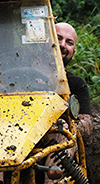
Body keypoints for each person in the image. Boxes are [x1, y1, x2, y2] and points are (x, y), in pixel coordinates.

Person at [44, 22, 93, 183]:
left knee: (64, 130)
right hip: (19, 138)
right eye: (58, 38)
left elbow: (87, 125)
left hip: (54, 145)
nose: (62, 45)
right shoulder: (17, 75)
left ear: (73, 51)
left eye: (69, 42)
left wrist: (66, 126)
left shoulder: (75, 83)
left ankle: (52, 179)